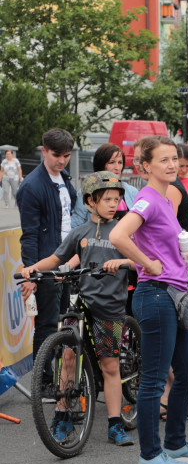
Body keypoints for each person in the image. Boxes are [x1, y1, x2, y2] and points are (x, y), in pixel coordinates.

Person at [109, 135, 188, 464]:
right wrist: (145, 263)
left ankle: (176, 444)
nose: (171, 165)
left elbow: (166, 242)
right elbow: (118, 236)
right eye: (163, 160)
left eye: (174, 159)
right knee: (154, 380)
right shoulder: (148, 199)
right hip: (155, 294)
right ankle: (150, 458)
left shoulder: (167, 198)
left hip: (175, 294)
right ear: (146, 166)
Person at [21, 171, 136, 447]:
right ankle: (61, 417)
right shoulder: (80, 233)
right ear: (89, 202)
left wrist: (122, 263)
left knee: (110, 366)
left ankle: (114, 424)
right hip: (81, 302)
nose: (113, 203)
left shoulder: (122, 230)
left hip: (110, 308)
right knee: (68, 359)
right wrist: (33, 268)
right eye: (107, 198)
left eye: (117, 199)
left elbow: (139, 261)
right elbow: (56, 257)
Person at [17, 128, 78, 365]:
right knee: (47, 324)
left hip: (64, 262)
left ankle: (57, 378)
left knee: (63, 321)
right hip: (46, 264)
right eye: (56, 155)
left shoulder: (64, 178)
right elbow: (29, 235)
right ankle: (43, 382)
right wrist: (31, 274)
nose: (62, 160)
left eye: (66, 155)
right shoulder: (32, 186)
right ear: (44, 151)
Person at [72, 144, 140, 228]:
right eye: (112, 162)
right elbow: (76, 223)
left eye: (120, 162)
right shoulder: (87, 190)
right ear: (101, 164)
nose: (117, 167)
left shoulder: (132, 191)